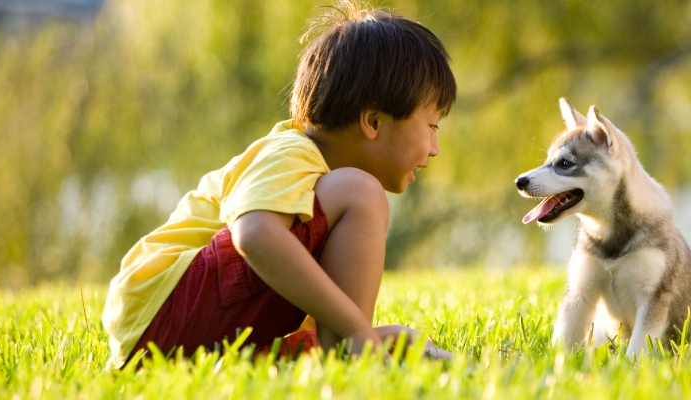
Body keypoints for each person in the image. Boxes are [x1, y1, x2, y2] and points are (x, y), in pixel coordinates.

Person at [101, 0, 457, 369]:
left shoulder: (319, 193)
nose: (435, 148)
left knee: (400, 340)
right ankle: (352, 352)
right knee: (361, 191)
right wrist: (355, 330)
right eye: (431, 127)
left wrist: (353, 331)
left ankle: (346, 356)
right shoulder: (294, 152)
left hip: (172, 339)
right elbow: (254, 234)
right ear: (373, 122)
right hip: (165, 311)